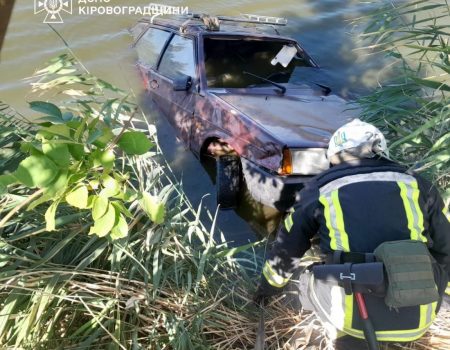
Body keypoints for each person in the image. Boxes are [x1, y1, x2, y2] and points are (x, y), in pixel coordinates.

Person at [255, 119, 450, 347]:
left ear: (334, 156)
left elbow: (286, 249)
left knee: (306, 276)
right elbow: (445, 248)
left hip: (352, 321)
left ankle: (334, 333)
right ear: (382, 152)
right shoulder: (419, 185)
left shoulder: (319, 189)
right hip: (418, 317)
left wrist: (266, 291)